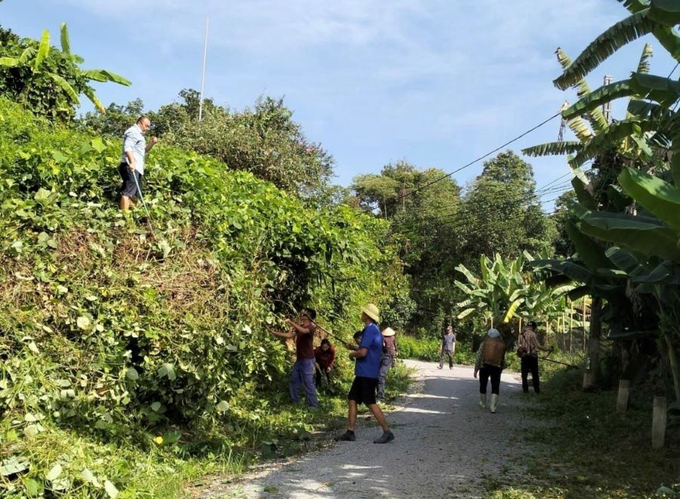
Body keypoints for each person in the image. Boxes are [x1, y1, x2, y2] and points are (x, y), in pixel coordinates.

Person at [335, 304, 395, 444]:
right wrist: (354, 347)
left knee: (370, 402)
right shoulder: (374, 330)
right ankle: (350, 431)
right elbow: (367, 348)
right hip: (364, 373)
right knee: (352, 399)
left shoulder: (369, 330)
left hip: (367, 373)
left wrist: (352, 354)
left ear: (368, 315)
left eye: (364, 312)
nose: (362, 313)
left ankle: (387, 431)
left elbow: (363, 353)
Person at [268, 308, 318, 408]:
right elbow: (289, 335)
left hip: (307, 359)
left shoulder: (311, 327)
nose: (302, 314)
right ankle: (295, 402)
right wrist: (274, 333)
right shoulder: (300, 327)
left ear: (309, 316)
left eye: (305, 313)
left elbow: (304, 331)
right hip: (300, 359)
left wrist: (290, 322)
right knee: (294, 380)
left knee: (308, 382)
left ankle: (313, 405)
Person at [119, 116, 158, 210]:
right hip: (131, 166)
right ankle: (125, 216)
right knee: (127, 192)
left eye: (149, 127)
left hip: (138, 168)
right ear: (140, 123)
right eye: (146, 126)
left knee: (135, 194)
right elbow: (127, 148)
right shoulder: (133, 132)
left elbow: (143, 151)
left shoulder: (140, 135)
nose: (147, 129)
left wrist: (151, 143)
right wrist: (132, 162)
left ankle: (133, 215)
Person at [474, 328, 507, 413]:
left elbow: (479, 356)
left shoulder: (484, 343)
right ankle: (493, 407)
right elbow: (503, 358)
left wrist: (476, 369)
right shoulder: (502, 344)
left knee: (483, 384)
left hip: (484, 366)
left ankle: (483, 403)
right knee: (495, 386)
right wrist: (501, 367)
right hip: (496, 367)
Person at [518, 321, 551, 395]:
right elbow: (537, 345)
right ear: (534, 327)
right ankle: (537, 390)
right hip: (532, 356)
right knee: (535, 374)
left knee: (524, 374)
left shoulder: (521, 334)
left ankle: (525, 390)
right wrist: (547, 349)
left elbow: (519, 346)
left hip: (524, 356)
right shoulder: (533, 334)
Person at [377, 326, 397, 400]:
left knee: (380, 376)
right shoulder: (393, 338)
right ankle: (380, 394)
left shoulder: (382, 338)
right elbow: (395, 348)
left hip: (385, 356)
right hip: (388, 357)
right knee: (380, 376)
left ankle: (380, 395)